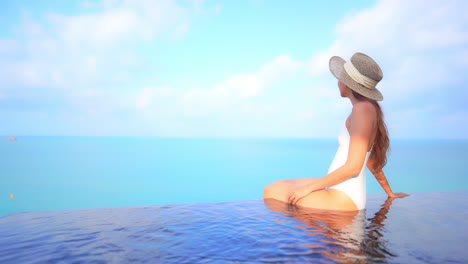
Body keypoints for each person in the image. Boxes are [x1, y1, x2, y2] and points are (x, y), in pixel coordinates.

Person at [263, 52, 409, 211]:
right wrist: (390, 192)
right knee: (279, 185)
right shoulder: (367, 109)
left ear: (348, 83)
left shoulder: (362, 110)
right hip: (344, 191)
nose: (338, 82)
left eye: (341, 78)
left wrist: (308, 189)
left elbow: (354, 167)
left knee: (270, 190)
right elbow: (371, 161)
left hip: (344, 197)